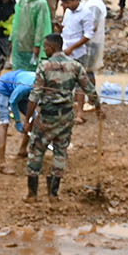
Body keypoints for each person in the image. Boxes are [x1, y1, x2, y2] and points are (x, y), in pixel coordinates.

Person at [21, 29, 103, 202]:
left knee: (36, 151)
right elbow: (89, 88)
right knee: (60, 152)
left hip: (47, 117)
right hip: (66, 117)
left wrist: (28, 119)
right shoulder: (75, 65)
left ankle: (32, 194)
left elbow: (34, 95)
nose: (44, 50)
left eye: (45, 47)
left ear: (51, 47)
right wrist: (98, 108)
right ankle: (53, 193)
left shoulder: (44, 66)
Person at [10, 0, 52, 79]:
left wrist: (37, 45)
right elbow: (16, 21)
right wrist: (12, 38)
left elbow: (41, 25)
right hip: (19, 42)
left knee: (31, 73)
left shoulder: (40, 3)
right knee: (18, 71)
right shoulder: (22, 1)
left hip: (31, 43)